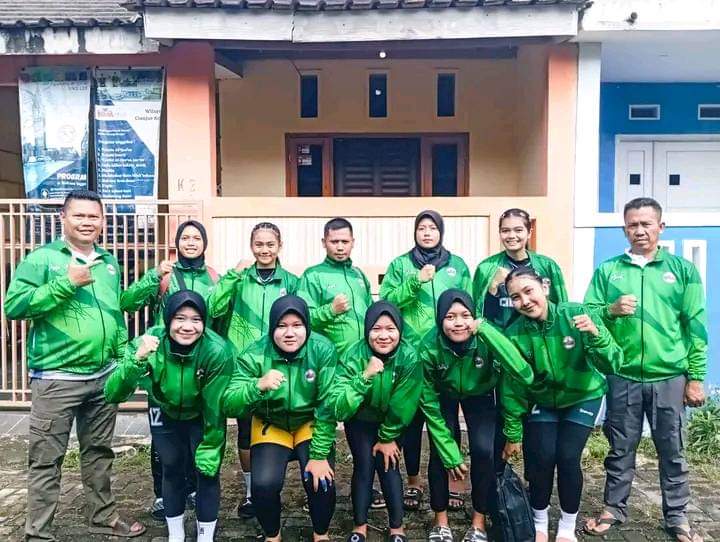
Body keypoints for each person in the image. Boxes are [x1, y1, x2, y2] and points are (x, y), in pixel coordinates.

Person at [5, 189, 144, 541]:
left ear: (103, 221)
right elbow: (15, 306)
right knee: (46, 459)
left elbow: (113, 314)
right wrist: (67, 283)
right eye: (79, 215)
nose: (87, 222)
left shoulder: (109, 262)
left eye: (93, 216)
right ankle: (38, 533)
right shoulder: (42, 259)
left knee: (99, 452)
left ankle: (102, 517)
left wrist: (120, 360)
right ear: (63, 218)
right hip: (56, 379)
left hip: (103, 377)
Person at [583, 197, 707, 542]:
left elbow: (696, 326)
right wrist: (610, 309)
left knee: (672, 450)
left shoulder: (682, 270)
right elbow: (587, 314)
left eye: (646, 224)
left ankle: (677, 516)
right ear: (624, 229)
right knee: (620, 448)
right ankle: (614, 508)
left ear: (660, 227)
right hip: (622, 375)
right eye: (632, 225)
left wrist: (696, 377)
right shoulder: (609, 270)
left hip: (669, 376)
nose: (639, 230)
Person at [500, 267, 624, 542]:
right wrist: (513, 433)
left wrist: (596, 334)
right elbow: (512, 386)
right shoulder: (515, 334)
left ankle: (567, 526)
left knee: (567, 457)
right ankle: (539, 521)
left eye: (529, 291)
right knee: (542, 457)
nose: (525, 301)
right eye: (516, 297)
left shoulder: (576, 314)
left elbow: (614, 362)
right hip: (543, 400)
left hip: (583, 395)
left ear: (544, 288)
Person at [104, 290, 235, 542]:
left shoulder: (217, 350)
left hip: (201, 413)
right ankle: (176, 534)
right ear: (168, 320)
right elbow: (113, 393)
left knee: (207, 472)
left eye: (196, 320)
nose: (187, 327)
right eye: (180, 318)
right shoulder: (149, 342)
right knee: (171, 466)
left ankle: (205, 536)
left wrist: (211, 449)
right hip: (163, 410)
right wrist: (137, 359)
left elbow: (215, 406)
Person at [120, 219, 218, 520]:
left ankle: (192, 488)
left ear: (204, 243)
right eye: (185, 238)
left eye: (196, 238)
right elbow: (127, 302)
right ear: (177, 243)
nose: (191, 243)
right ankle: (163, 494)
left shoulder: (214, 277)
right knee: (163, 437)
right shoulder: (164, 276)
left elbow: (220, 321)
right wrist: (153, 276)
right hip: (163, 363)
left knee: (195, 433)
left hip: (198, 364)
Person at [420, 289, 533, 542]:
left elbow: (521, 372)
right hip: (444, 394)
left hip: (481, 394)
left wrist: (485, 330)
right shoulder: (428, 345)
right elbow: (428, 403)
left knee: (484, 452)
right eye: (450, 317)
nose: (458, 323)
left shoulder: (487, 337)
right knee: (440, 453)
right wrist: (450, 452)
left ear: (474, 317)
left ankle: (479, 520)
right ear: (440, 319)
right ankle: (441, 520)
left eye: (465, 315)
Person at [222, 295, 337, 542]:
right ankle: (273, 535)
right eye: (282, 326)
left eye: (297, 325)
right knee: (264, 484)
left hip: (309, 420)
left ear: (307, 325)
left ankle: (321, 534)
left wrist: (319, 455)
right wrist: (256, 386)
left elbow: (328, 405)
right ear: (272, 327)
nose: (289, 333)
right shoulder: (254, 353)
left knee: (320, 479)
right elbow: (229, 402)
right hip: (270, 422)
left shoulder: (322, 349)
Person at [379, 210, 471, 513]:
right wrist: (415, 281)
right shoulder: (400, 265)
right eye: (422, 228)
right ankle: (414, 481)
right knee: (412, 422)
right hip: (410, 355)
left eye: (433, 228)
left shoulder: (457, 266)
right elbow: (386, 303)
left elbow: (468, 305)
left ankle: (452, 481)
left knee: (447, 419)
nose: (427, 233)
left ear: (441, 232)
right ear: (415, 232)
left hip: (446, 355)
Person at [208, 222, 299, 519]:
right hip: (244, 368)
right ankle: (251, 493)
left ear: (280, 246)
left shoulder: (292, 282)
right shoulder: (239, 279)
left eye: (270, 244)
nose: (264, 250)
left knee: (280, 425)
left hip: (280, 366)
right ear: (251, 246)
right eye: (259, 244)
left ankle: (273, 486)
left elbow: (301, 321)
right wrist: (232, 275)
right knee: (246, 431)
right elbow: (213, 308)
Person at [333, 301, 423, 542]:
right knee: (363, 465)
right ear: (367, 330)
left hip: (392, 422)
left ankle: (397, 527)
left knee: (388, 465)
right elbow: (340, 405)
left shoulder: (409, 357)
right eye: (376, 329)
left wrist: (388, 437)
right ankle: (360, 525)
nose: (383, 336)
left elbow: (404, 403)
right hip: (360, 420)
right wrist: (364, 376)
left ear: (400, 330)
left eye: (390, 329)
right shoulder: (353, 355)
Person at [472, 208, 567, 330]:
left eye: (518, 230)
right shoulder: (486, 268)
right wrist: (493, 289)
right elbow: (477, 311)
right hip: (500, 337)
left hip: (540, 336)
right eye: (505, 231)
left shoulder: (547, 266)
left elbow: (561, 307)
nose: (511, 236)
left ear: (529, 232)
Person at [298, 217, 373, 357]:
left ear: (353, 242)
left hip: (363, 357)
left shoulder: (359, 275)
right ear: (324, 242)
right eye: (334, 242)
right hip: (331, 359)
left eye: (345, 242)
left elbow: (372, 314)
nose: (340, 247)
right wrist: (331, 310)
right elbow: (302, 320)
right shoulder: (312, 275)